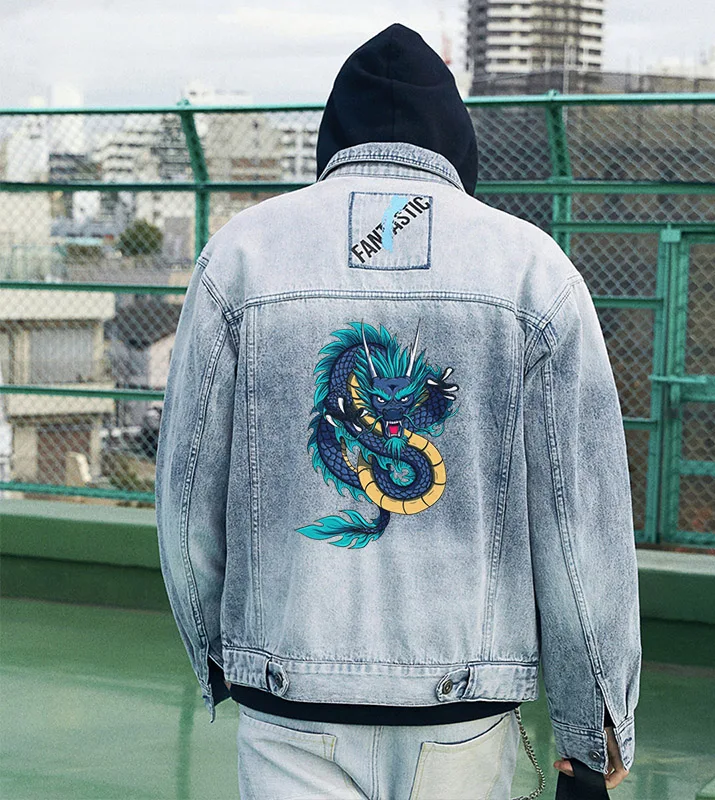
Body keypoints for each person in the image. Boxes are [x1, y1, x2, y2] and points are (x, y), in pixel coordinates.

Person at [155, 23, 641, 800]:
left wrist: (224, 654)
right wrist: (592, 730)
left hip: (288, 700)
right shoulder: (533, 270)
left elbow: (185, 501)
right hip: (462, 710)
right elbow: (581, 525)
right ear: (458, 143)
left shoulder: (240, 257)